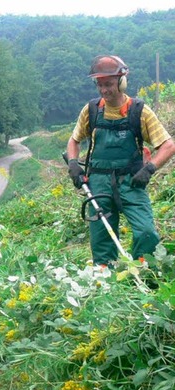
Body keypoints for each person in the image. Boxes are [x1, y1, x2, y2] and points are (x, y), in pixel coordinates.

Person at [66, 55, 175, 266]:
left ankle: (143, 271)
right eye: (99, 85)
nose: (104, 90)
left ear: (122, 82)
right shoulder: (91, 110)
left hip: (132, 181)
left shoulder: (139, 111)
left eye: (108, 84)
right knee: (101, 238)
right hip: (98, 182)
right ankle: (104, 278)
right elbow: (74, 140)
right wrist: (73, 163)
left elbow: (168, 145)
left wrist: (149, 169)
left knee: (146, 232)